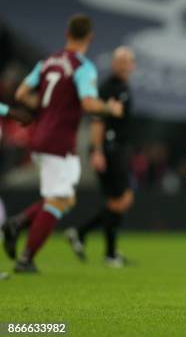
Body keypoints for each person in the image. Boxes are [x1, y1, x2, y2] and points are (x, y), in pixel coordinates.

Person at [0, 14, 123, 273]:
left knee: (63, 199)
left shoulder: (47, 62)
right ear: (89, 37)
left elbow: (22, 94)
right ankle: (26, 258)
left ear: (68, 33)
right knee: (58, 201)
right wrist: (110, 109)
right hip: (59, 139)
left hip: (41, 135)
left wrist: (46, 107)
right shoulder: (82, 66)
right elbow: (89, 103)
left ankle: (17, 224)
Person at [65, 46, 135, 268]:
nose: (123, 64)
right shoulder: (108, 88)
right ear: (114, 64)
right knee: (121, 199)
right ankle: (92, 240)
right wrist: (97, 150)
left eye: (127, 61)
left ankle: (106, 250)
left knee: (119, 200)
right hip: (108, 148)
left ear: (132, 65)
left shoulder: (123, 86)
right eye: (120, 60)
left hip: (118, 148)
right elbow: (97, 120)